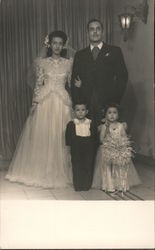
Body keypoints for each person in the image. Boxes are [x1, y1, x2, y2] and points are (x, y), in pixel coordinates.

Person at [6, 30, 73, 188]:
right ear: (49, 44)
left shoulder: (69, 62)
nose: (57, 46)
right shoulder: (42, 62)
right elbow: (38, 85)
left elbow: (70, 84)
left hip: (62, 102)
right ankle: (43, 170)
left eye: (60, 43)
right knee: (44, 135)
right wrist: (34, 104)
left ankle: (60, 170)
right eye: (54, 43)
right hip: (45, 101)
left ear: (64, 45)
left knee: (60, 136)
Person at [71, 18, 128, 125]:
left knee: (107, 137)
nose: (95, 32)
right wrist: (78, 104)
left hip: (108, 103)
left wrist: (114, 101)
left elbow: (122, 77)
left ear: (102, 32)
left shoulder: (114, 51)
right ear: (87, 33)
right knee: (88, 137)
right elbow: (74, 81)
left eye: (98, 29)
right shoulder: (80, 55)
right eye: (92, 29)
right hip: (86, 104)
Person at [92, 103, 141, 193]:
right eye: (109, 113)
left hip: (118, 149)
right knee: (108, 167)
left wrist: (122, 145)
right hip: (107, 149)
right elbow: (101, 139)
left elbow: (124, 137)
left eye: (114, 112)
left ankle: (120, 185)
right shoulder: (104, 126)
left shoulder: (120, 126)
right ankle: (109, 185)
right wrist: (107, 131)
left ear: (118, 115)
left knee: (119, 167)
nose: (112, 115)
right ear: (105, 115)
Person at [65, 103, 97, 191]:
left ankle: (86, 185)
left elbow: (94, 137)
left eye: (83, 110)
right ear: (74, 112)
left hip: (88, 147)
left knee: (87, 166)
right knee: (77, 166)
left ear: (86, 111)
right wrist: (69, 149)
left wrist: (93, 148)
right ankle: (78, 185)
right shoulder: (71, 124)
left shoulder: (90, 123)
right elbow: (68, 138)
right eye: (78, 110)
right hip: (76, 148)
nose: (80, 112)